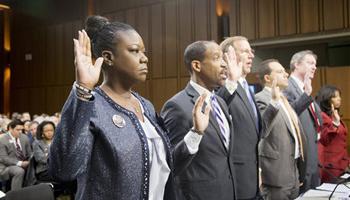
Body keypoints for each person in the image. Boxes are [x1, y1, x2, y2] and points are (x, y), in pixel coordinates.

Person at [48, 15, 203, 200]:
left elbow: (167, 167)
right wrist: (82, 90)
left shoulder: (146, 105)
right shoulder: (91, 103)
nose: (144, 59)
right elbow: (63, 170)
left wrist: (196, 133)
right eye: (135, 51)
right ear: (108, 57)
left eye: (144, 52)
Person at [161, 40, 236, 200]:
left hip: (228, 192)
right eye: (217, 58)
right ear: (197, 65)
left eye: (224, 59)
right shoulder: (176, 106)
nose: (224, 65)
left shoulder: (221, 102)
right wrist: (196, 133)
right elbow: (170, 163)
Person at [255, 59, 311, 199]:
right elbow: (263, 127)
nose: (286, 74)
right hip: (276, 176)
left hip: (293, 172)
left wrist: (307, 93)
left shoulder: (284, 99)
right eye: (280, 72)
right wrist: (273, 102)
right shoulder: (260, 98)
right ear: (268, 78)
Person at [216, 36, 261, 199]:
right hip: (236, 176)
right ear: (230, 56)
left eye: (251, 51)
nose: (251, 56)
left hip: (253, 174)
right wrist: (231, 81)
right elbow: (217, 105)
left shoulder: (248, 88)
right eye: (245, 51)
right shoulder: (220, 83)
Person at [283, 50, 322, 192]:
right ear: (296, 65)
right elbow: (287, 114)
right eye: (310, 63)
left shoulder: (305, 87)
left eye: (315, 64)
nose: (314, 67)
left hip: (313, 158)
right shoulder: (287, 86)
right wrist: (306, 94)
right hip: (300, 162)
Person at [316, 85, 349, 183]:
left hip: (342, 163)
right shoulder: (322, 116)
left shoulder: (334, 115)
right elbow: (324, 139)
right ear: (327, 99)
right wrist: (335, 123)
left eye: (339, 96)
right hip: (331, 166)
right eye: (335, 96)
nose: (339, 99)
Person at [0, 119, 32, 191]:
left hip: (24, 162)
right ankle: (15, 195)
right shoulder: (2, 140)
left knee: (35, 166)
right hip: (6, 167)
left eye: (21, 129)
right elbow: (4, 158)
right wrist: (20, 163)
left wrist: (30, 161)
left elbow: (30, 153)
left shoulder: (24, 137)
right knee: (19, 171)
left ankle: (29, 191)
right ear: (10, 128)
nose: (20, 132)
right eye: (18, 130)